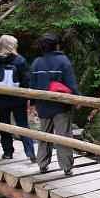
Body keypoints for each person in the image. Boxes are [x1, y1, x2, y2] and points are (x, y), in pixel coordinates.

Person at [30, 32, 79, 174]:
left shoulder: (36, 62)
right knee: (63, 136)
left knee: (44, 135)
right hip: (61, 106)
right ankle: (66, 168)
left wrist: (33, 102)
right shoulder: (63, 61)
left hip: (42, 106)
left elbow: (32, 85)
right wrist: (77, 99)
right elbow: (71, 84)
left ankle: (42, 164)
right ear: (56, 45)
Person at [0, 35, 36, 162]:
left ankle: (8, 152)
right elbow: (26, 81)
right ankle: (30, 152)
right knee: (23, 125)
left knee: (4, 125)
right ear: (12, 46)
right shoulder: (20, 60)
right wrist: (27, 97)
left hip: (1, 100)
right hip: (18, 99)